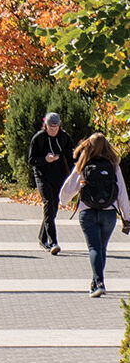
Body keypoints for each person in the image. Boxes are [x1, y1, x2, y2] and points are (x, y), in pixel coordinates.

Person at [60, 133, 130, 296]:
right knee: (101, 248)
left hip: (87, 212)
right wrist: (126, 217)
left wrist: (63, 201)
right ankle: (96, 280)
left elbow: (69, 187)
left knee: (94, 247)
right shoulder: (113, 165)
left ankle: (98, 283)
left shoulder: (84, 164)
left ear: (88, 146)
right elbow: (121, 193)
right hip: (109, 213)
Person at [31, 111, 75, 254]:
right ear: (46, 125)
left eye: (55, 128)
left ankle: (41, 237)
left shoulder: (64, 137)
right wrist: (45, 159)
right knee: (49, 203)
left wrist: (76, 174)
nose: (53, 131)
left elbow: (70, 158)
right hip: (42, 176)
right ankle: (53, 242)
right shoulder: (38, 138)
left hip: (58, 176)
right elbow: (31, 160)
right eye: (50, 128)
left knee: (53, 209)